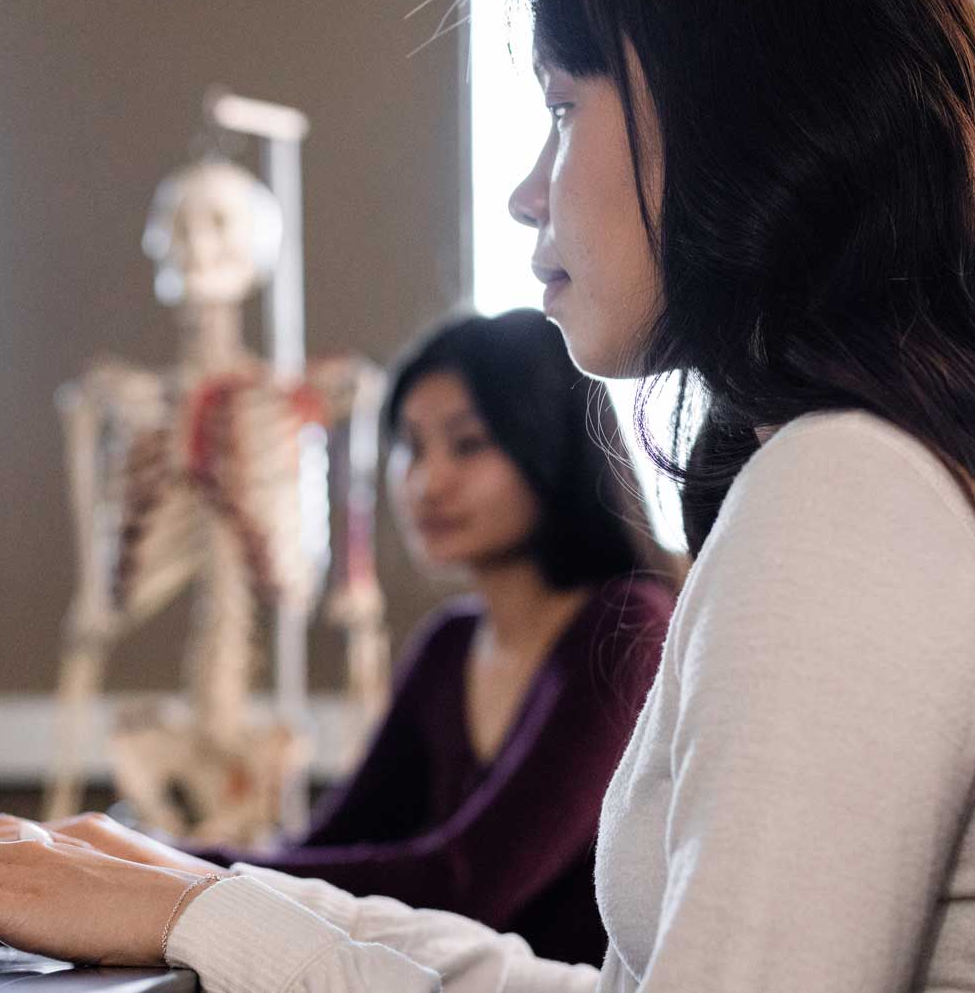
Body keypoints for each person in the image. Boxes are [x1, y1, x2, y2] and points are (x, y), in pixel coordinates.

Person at [0, 0, 975, 993]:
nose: (526, 192)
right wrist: (193, 895)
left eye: (564, 109)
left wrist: (203, 911)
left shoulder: (848, 491)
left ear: (733, 113)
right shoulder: (882, 472)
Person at [166, 308, 676, 966]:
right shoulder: (450, 645)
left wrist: (167, 870)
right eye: (410, 446)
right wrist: (149, 857)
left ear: (548, 441)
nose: (426, 482)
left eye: (468, 444)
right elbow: (328, 845)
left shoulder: (626, 625)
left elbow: (468, 881)